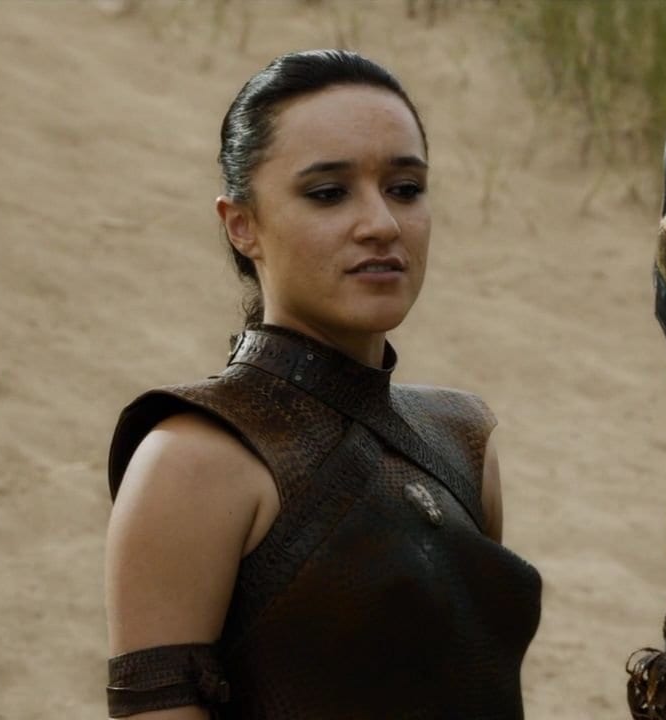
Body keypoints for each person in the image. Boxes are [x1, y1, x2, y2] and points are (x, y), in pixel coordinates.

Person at [102, 50, 542, 719]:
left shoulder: (461, 439)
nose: (382, 224)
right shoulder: (195, 458)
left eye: (405, 188)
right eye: (329, 193)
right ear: (242, 225)